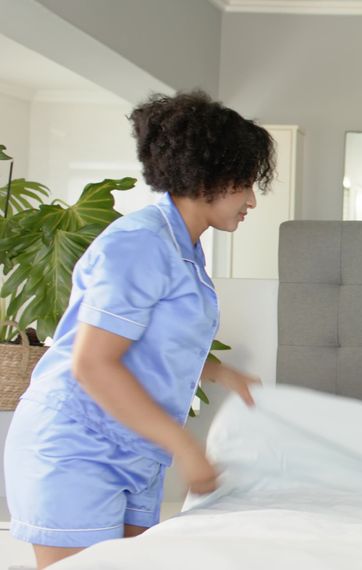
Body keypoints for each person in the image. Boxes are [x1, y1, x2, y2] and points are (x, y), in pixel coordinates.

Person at [3, 90, 274, 569]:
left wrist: (220, 373)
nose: (251, 200)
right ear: (206, 175)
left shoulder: (183, 248)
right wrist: (186, 448)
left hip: (132, 448)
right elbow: (92, 365)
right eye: (244, 184)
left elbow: (152, 344)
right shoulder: (140, 243)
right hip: (77, 445)